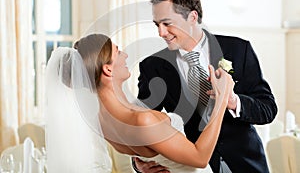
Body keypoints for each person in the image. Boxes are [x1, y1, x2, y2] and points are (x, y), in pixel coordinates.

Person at [134, 0, 278, 173]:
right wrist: (138, 163)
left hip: (246, 165)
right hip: (194, 168)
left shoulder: (238, 50)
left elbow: (268, 108)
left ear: (192, 17)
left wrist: (232, 100)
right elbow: (142, 125)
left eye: (167, 23)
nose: (161, 32)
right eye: (157, 24)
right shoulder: (153, 67)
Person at [46, 33, 234, 172]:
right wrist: (222, 96)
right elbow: (200, 158)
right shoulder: (142, 120)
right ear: (107, 70)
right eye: (118, 52)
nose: (125, 56)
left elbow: (147, 147)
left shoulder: (101, 122)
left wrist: (140, 166)